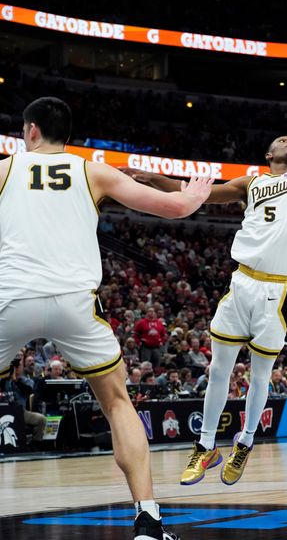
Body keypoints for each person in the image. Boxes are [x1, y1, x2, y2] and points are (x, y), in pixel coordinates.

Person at [124, 26, 287, 486]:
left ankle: (244, 443)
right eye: (281, 138)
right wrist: (143, 176)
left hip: (277, 291)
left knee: (260, 376)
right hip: (241, 283)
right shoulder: (250, 184)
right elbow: (192, 193)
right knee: (219, 367)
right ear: (267, 152)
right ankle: (204, 449)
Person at [0, 97, 212, 539]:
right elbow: (173, 208)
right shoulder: (91, 170)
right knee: (117, 403)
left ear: (32, 131)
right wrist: (194, 194)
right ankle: (148, 520)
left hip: (11, 297)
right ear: (68, 136)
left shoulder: (4, 168)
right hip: (76, 302)